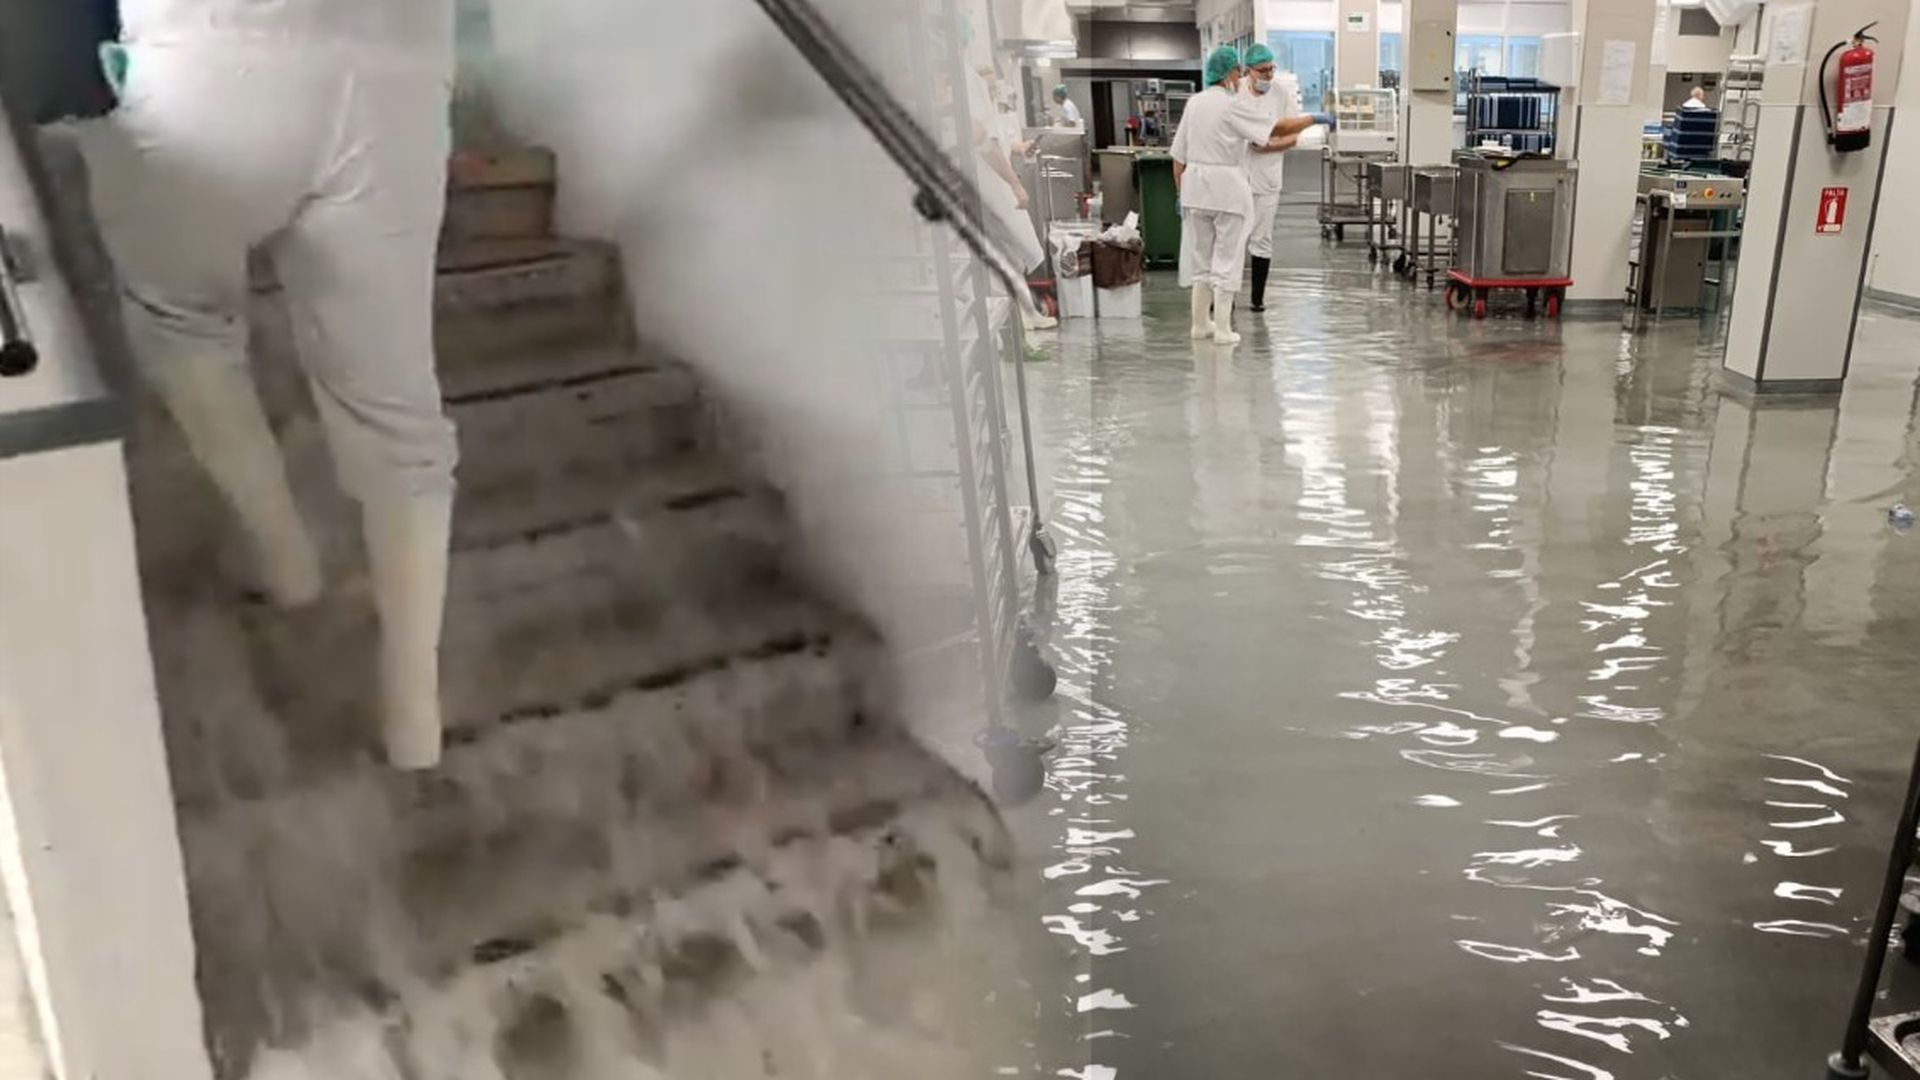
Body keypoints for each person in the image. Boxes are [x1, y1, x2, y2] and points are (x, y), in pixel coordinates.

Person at [85, 0, 461, 770]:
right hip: (398, 69)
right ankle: (413, 714)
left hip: (206, 51)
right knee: (395, 403)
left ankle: (285, 555)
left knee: (182, 321)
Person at [1172, 45, 1326, 344]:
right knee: (1227, 259)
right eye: (1237, 71)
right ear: (1229, 73)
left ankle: (1199, 325)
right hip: (1226, 189)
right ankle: (1223, 330)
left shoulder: (1195, 103)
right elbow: (1277, 127)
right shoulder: (1231, 105)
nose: (1238, 76)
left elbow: (1177, 157)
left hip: (1194, 190)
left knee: (1201, 259)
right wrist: (1314, 119)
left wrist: (1180, 194)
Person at [1239, 44, 1314, 313]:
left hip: (1267, 176)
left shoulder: (1281, 93)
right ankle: (1222, 297)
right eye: (1263, 70)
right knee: (1232, 237)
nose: (1269, 75)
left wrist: (1269, 146)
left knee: (1261, 237)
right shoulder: (1234, 92)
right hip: (1236, 176)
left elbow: (1293, 135)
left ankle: (1257, 298)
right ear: (1249, 70)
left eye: (1272, 69)